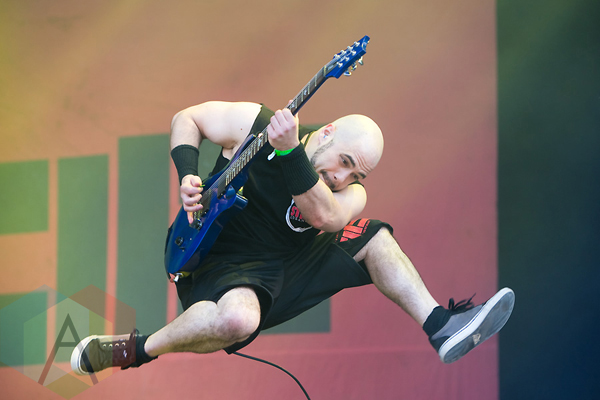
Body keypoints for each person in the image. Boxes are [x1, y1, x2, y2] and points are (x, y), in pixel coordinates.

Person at [71, 101, 514, 375]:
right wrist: (188, 173)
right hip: (221, 262)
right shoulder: (256, 123)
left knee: (375, 238)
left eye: (355, 175)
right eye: (343, 162)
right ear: (325, 133)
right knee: (237, 320)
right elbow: (187, 118)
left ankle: (441, 327)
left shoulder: (348, 194)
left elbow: (325, 216)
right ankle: (135, 350)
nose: (342, 178)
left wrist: (290, 151)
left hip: (289, 268)